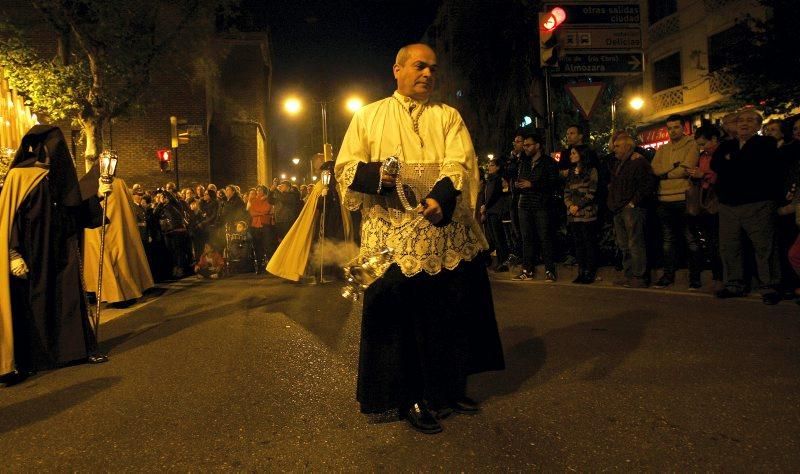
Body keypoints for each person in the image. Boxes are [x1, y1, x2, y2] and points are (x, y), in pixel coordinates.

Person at [335, 43, 504, 434]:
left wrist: (441, 196)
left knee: (448, 313)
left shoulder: (447, 116)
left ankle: (448, 387)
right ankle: (407, 394)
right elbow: (345, 168)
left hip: (441, 230)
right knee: (402, 319)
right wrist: (378, 177)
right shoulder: (369, 115)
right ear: (397, 69)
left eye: (432, 68)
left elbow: (458, 162)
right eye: (419, 66)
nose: (427, 73)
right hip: (393, 233)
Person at [0, 125, 109, 385]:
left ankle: (72, 352)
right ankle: (30, 359)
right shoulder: (19, 176)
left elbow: (73, 212)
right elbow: (7, 219)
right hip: (31, 253)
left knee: (66, 298)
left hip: (60, 250)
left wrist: (98, 197)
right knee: (30, 305)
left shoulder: (57, 179)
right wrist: (13, 253)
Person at [712, 109, 783, 304]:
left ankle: (769, 286)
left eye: (750, 120)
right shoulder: (726, 145)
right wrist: (734, 163)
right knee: (730, 246)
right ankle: (734, 284)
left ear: (758, 125)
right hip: (728, 205)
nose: (744, 124)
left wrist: (732, 163)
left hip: (757, 203)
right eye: (740, 120)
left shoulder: (766, 143)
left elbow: (755, 166)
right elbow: (716, 165)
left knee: (764, 247)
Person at [267, 158, 355, 282]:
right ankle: (323, 271)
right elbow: (315, 206)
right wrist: (322, 197)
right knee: (324, 244)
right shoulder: (320, 186)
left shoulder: (339, 185)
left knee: (339, 242)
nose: (328, 174)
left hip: (339, 219)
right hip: (324, 220)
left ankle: (339, 270)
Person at [82, 164, 154, 306]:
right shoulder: (102, 183)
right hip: (102, 229)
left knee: (117, 260)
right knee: (114, 261)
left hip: (111, 229)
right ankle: (115, 293)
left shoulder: (117, 184)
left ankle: (120, 294)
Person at [650, 114, 701, 289]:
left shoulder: (691, 144)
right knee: (668, 241)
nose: (672, 131)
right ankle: (668, 275)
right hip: (664, 199)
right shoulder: (663, 149)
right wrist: (672, 168)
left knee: (690, 239)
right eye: (670, 128)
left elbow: (686, 168)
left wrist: (666, 173)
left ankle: (695, 278)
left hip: (683, 197)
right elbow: (654, 169)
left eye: (676, 127)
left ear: (683, 127)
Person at [607, 134, 656, 288]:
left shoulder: (638, 162)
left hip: (631, 208)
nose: (613, 149)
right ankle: (629, 274)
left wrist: (633, 203)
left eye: (617, 146)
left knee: (635, 243)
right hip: (619, 207)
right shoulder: (619, 163)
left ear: (627, 147)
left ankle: (639, 276)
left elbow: (647, 185)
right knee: (624, 244)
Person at [512, 132, 560, 282]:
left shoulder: (548, 162)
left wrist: (532, 184)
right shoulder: (524, 163)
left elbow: (553, 183)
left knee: (544, 237)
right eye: (524, 145)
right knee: (527, 238)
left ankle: (550, 271)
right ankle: (527, 270)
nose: (525, 148)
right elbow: (520, 179)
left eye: (528, 145)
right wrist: (518, 185)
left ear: (537, 146)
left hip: (541, 205)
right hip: (524, 204)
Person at [564, 145, 599, 284]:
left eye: (574, 153)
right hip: (573, 214)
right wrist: (570, 205)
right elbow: (566, 191)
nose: (571, 156)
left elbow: (592, 192)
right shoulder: (571, 172)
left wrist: (578, 205)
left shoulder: (591, 170)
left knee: (588, 242)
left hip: (587, 214)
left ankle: (590, 272)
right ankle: (581, 271)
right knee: (578, 244)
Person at [481, 158, 510, 272]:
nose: (489, 167)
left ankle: (503, 262)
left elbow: (494, 195)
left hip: (495, 211)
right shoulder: (490, 180)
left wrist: (485, 206)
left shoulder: (498, 179)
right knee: (492, 238)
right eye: (489, 165)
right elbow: (486, 194)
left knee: (499, 238)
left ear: (498, 167)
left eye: (492, 165)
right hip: (489, 211)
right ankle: (498, 261)